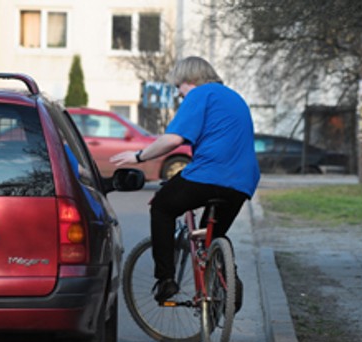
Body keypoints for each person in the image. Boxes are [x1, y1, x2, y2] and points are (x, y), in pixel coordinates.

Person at [110, 56, 260, 307]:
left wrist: (138, 156)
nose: (179, 94)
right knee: (212, 236)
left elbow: (173, 139)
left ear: (190, 79)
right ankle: (227, 280)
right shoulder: (234, 97)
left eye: (178, 86)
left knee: (161, 207)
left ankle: (166, 279)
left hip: (209, 174)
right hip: (242, 182)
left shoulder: (200, 94)